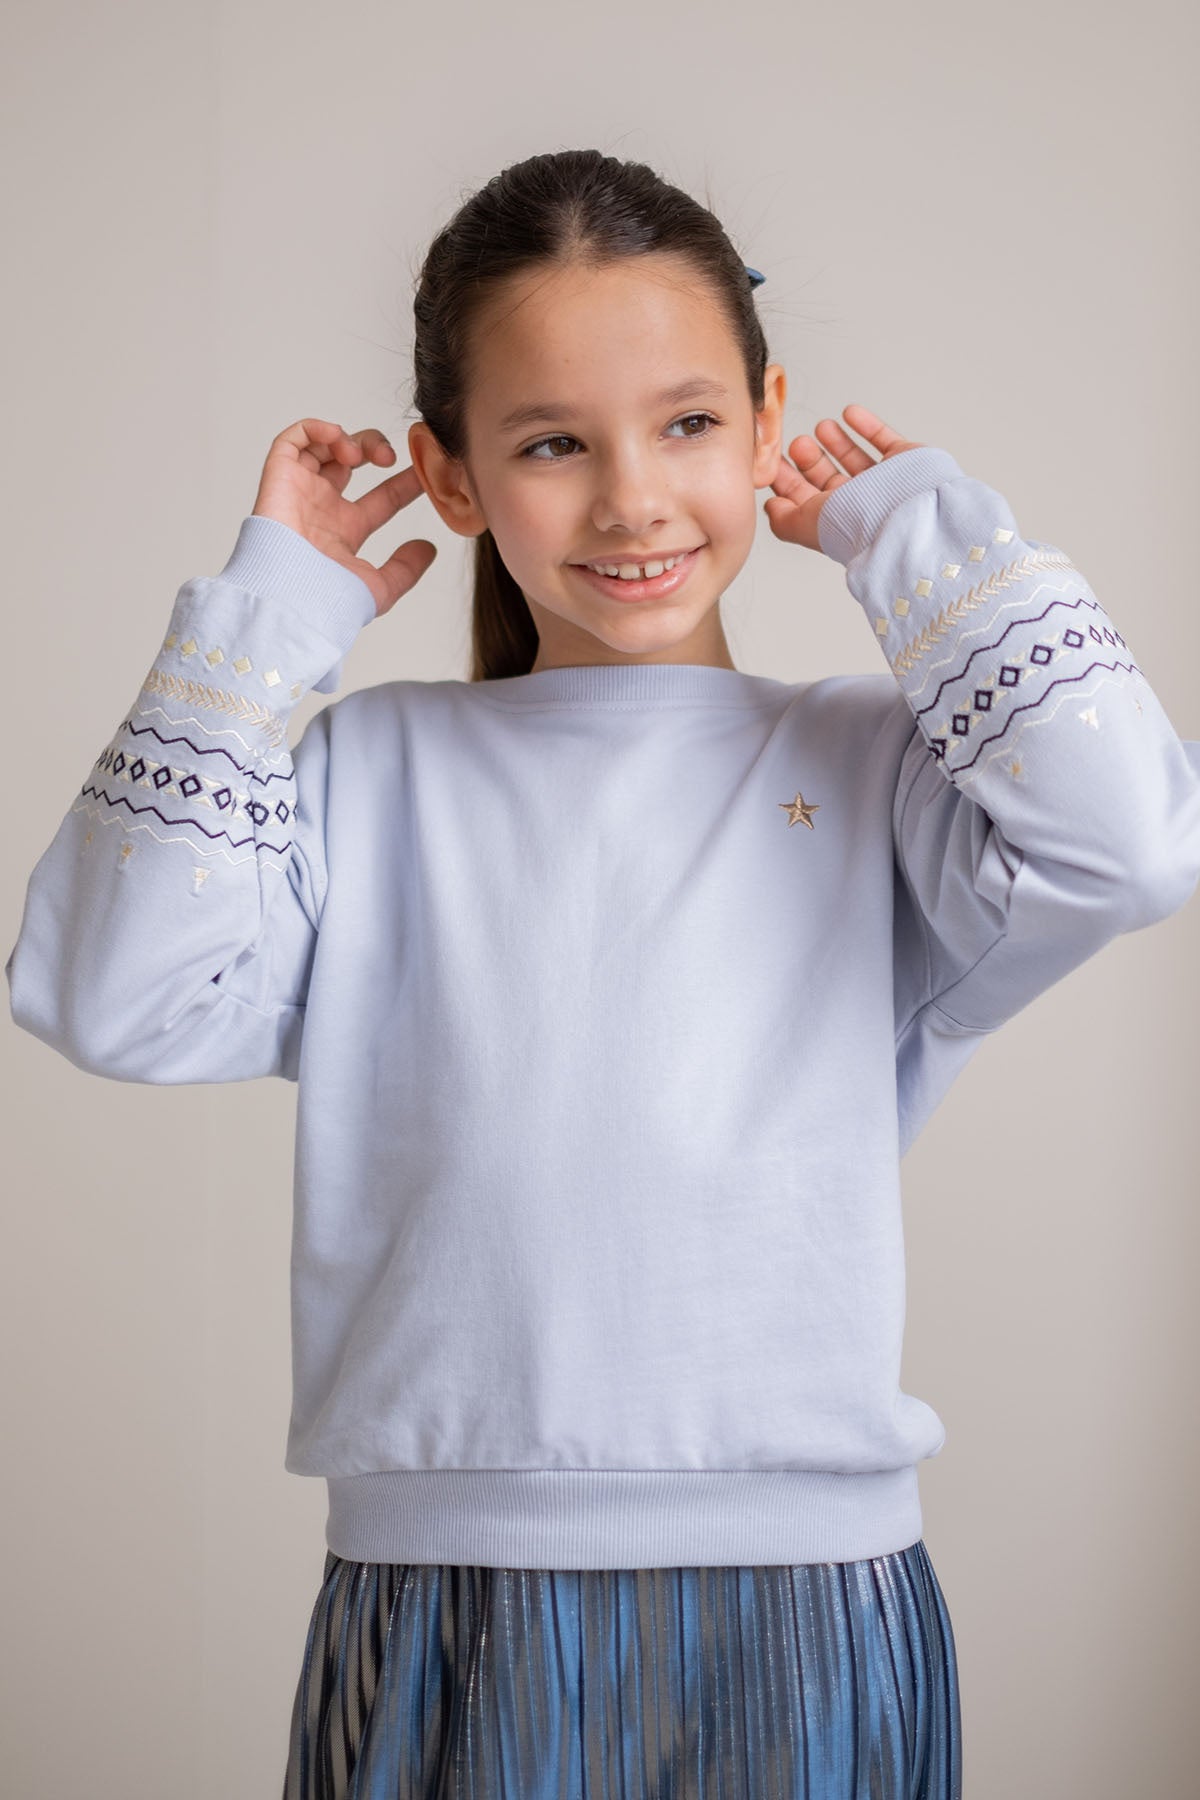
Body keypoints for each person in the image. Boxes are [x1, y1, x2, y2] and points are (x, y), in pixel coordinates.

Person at [7, 146, 1200, 1800]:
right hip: (446, 1584)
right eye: (554, 443)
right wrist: (266, 620)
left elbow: (1129, 844)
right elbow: (103, 990)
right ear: (452, 474)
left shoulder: (874, 768)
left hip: (809, 1590)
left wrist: (907, 531)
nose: (633, 499)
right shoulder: (370, 774)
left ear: (769, 423)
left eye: (689, 423)